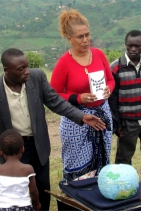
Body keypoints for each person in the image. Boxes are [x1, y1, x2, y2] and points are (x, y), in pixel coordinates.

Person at [0, 48, 106, 210]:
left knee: (42, 187)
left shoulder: (37, 77)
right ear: (7, 70)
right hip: (12, 149)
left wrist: (81, 116)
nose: (27, 72)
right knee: (14, 192)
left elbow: (55, 101)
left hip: (38, 144)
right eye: (21, 69)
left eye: (27, 66)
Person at [50, 9, 115, 181]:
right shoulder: (64, 63)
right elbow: (53, 95)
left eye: (87, 35)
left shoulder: (99, 54)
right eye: (80, 37)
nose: (86, 40)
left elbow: (110, 80)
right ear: (69, 38)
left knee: (103, 158)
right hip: (76, 119)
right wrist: (78, 98)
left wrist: (109, 89)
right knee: (77, 163)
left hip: (102, 114)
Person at [108, 30, 141, 180]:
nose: (133, 49)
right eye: (130, 45)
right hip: (128, 120)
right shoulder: (116, 67)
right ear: (125, 45)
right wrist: (117, 123)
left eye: (137, 46)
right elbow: (112, 98)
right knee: (125, 153)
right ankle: (122, 181)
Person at [0, 129, 41, 211]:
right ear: (22, 149)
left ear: (0, 152)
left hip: (1, 208)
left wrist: (5, 197)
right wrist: (37, 204)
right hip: (24, 207)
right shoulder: (28, 169)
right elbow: (33, 191)